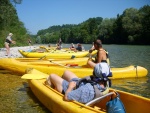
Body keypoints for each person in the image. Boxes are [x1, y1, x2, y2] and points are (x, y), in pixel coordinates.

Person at [45, 62, 112, 104]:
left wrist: (70, 87)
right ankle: (59, 83)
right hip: (81, 85)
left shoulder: (87, 90)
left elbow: (67, 97)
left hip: (73, 90)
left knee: (51, 76)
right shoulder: (106, 83)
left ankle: (51, 94)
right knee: (66, 72)